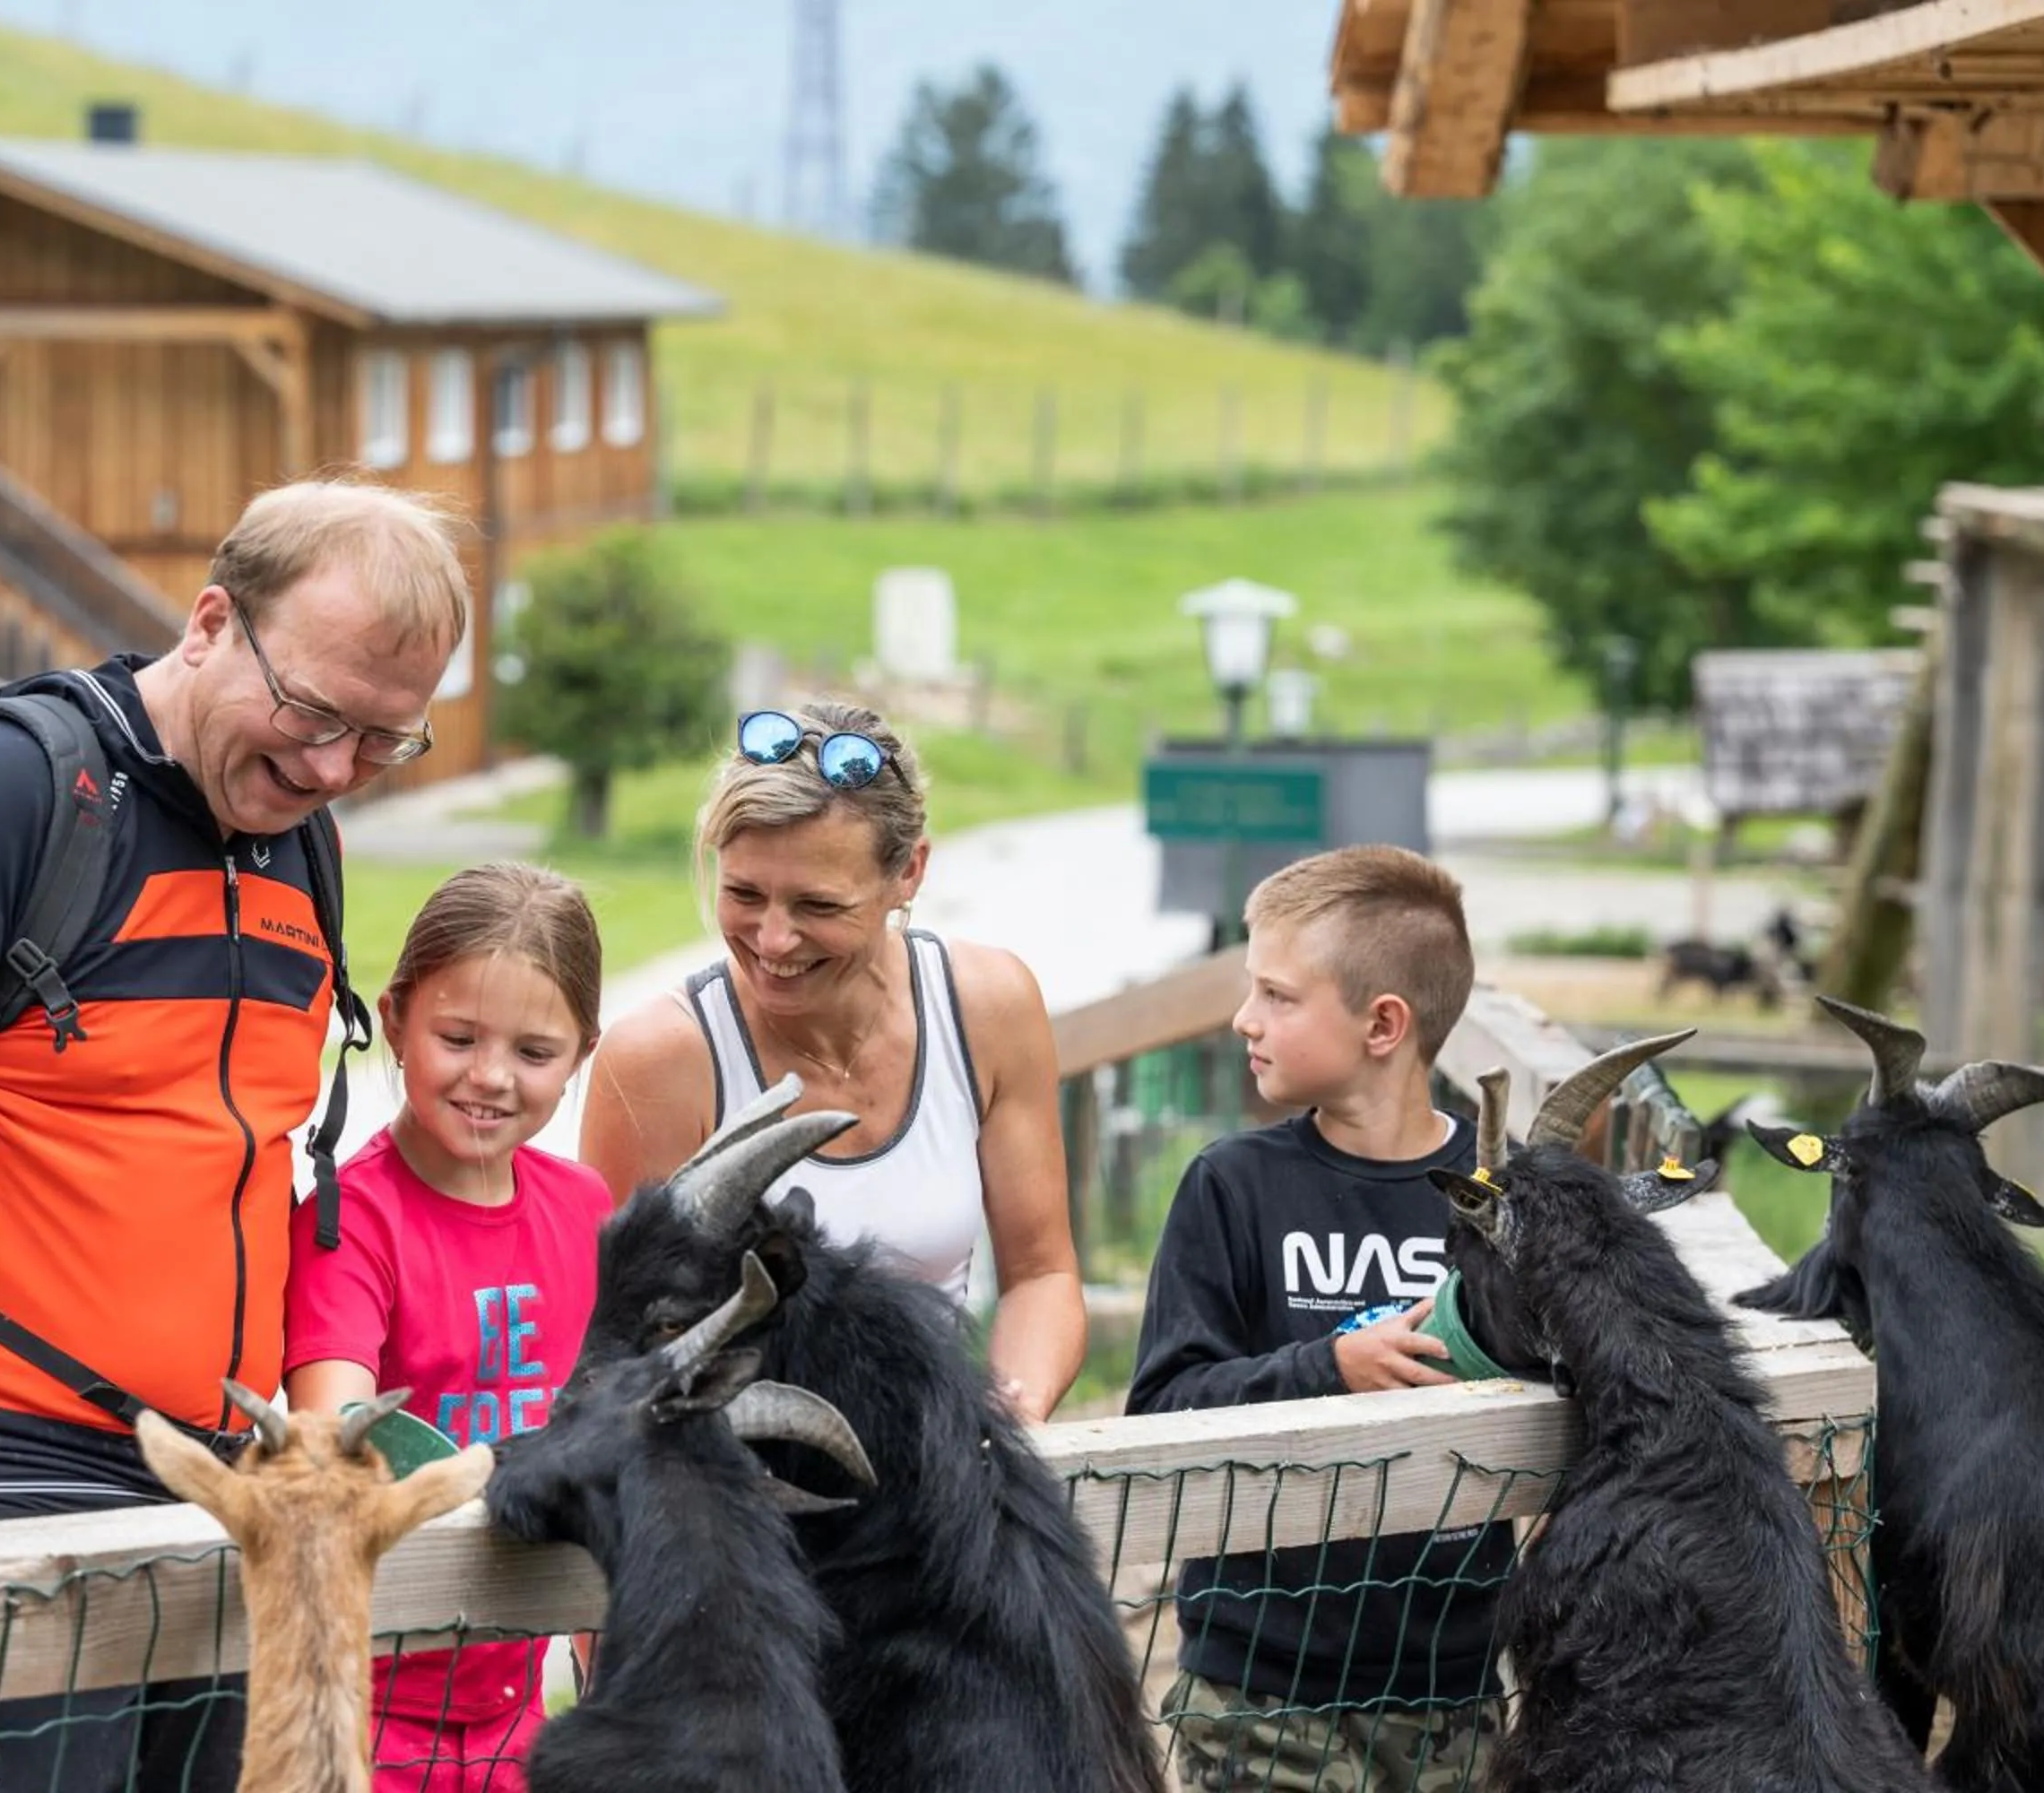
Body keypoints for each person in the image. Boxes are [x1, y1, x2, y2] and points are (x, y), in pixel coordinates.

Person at [0, 478, 472, 1791]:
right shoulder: (15, 793)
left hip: (220, 1495)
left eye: (385, 742)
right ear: (212, 621)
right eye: (312, 714)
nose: (335, 770)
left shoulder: (295, 831)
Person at [579, 700, 1086, 1422]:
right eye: (744, 894)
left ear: (908, 873)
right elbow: (612, 1348)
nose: (775, 940)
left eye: (818, 906)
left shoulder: (988, 1009)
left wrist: (1006, 1419)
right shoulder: (661, 1061)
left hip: (936, 1454)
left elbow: (1042, 1274)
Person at [1126, 845, 1509, 1792]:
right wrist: (1330, 1366)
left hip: (1450, 1689)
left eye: (1277, 995)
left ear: (1384, 1023)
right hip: (1261, 1683)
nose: (1242, 1019)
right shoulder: (1231, 1185)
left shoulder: (1502, 1198)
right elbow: (1165, 1407)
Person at [285, 862, 611, 1793]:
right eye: (457, 1037)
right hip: (368, 1705)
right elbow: (338, 1441)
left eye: (535, 1051)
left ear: (583, 1052)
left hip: (519, 1698)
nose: (491, 1077)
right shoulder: (348, 1224)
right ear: (394, 1018)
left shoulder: (587, 1211)